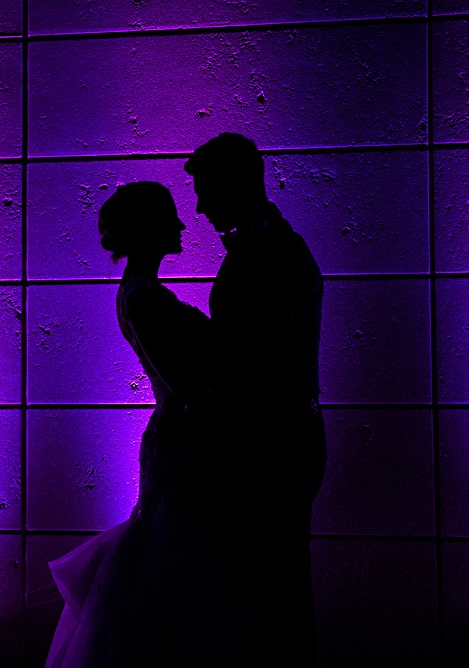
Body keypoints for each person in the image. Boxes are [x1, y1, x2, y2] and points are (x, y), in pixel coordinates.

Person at [45, 181, 252, 667]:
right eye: (169, 218)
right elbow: (183, 383)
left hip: (181, 438)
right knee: (177, 556)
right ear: (147, 232)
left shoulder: (144, 293)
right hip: (186, 442)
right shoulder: (142, 297)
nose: (182, 225)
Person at [184, 133, 327, 667]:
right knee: (272, 592)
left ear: (235, 185)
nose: (197, 206)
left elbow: (254, 362)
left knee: (274, 595)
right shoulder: (267, 247)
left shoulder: (271, 253)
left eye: (205, 190)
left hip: (272, 445)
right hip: (276, 439)